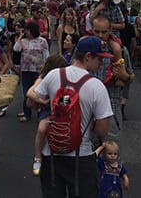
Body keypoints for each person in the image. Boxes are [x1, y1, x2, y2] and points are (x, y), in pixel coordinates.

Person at [28, 36, 113, 198]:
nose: (102, 64)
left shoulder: (54, 75)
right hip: (82, 157)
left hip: (51, 155)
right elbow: (102, 130)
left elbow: (30, 103)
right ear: (88, 56)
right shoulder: (97, 87)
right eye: (99, 59)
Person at [91, 15, 134, 144]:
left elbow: (131, 77)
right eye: (96, 31)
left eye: (103, 32)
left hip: (111, 106)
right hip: (88, 106)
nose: (99, 35)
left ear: (110, 31)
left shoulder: (120, 51)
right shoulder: (84, 49)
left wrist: (125, 76)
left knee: (111, 148)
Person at [25, 54, 67, 176]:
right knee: (42, 129)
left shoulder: (64, 79)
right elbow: (30, 93)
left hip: (60, 106)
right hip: (47, 108)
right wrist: (42, 102)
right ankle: (38, 157)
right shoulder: (43, 78)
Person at [13, 20, 49, 122]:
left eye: (27, 31)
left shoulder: (42, 41)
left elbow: (46, 55)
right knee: (26, 92)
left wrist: (46, 69)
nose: (26, 33)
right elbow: (16, 49)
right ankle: (26, 112)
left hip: (38, 70)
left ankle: (39, 112)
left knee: (38, 92)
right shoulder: (23, 41)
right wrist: (20, 36)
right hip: (25, 69)